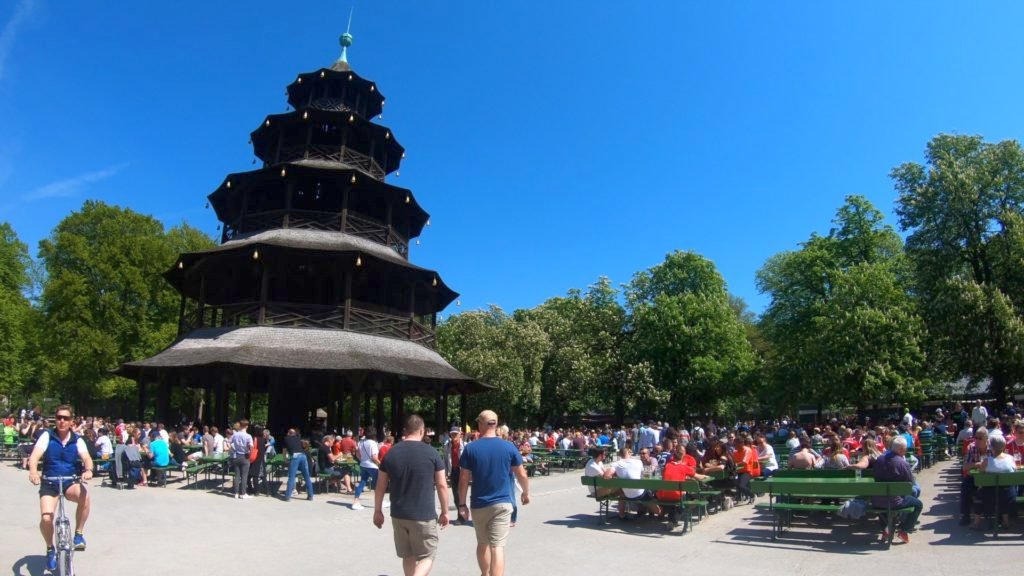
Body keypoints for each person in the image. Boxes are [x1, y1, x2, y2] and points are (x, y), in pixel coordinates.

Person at [374, 415, 450, 576]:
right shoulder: (432, 453)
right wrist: (445, 511)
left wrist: (377, 510)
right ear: (422, 431)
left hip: (399, 514)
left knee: (407, 554)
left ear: (405, 431)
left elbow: (380, 485)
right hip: (423, 514)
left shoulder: (391, 453)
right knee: (428, 555)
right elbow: (442, 485)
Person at [458, 410, 529, 576]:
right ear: (495, 424)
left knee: (483, 543)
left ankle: (484, 574)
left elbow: (463, 480)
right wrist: (526, 493)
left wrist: (462, 505)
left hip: (479, 503)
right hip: (503, 503)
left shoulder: (470, 448)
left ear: (481, 424)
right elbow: (522, 474)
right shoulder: (509, 446)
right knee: (497, 546)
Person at [27, 405, 94, 572]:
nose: (61, 421)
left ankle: (78, 534)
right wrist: (33, 472)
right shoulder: (47, 437)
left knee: (85, 497)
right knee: (47, 518)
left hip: (70, 481)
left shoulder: (77, 439)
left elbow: (86, 457)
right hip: (50, 482)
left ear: (72, 422)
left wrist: (88, 470)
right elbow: (34, 457)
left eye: (65, 418)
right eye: (58, 417)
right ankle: (50, 548)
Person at [872, 436, 922, 543]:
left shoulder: (879, 459)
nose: (905, 452)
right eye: (904, 450)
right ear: (900, 450)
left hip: (877, 500)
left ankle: (886, 528)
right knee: (918, 504)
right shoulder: (902, 462)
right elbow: (909, 484)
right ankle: (904, 530)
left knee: (885, 501)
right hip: (895, 501)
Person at [976, 435, 1018, 529]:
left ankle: (977, 522)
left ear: (991, 447)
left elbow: (980, 475)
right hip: (1008, 495)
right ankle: (1006, 521)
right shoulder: (1010, 458)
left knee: (980, 492)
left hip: (989, 495)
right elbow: (1015, 471)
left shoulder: (987, 461)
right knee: (1007, 489)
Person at [352, 427, 382, 510]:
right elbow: (374, 457)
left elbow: (357, 454)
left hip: (363, 464)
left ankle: (356, 501)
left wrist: (362, 460)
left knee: (362, 482)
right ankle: (379, 502)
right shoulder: (373, 443)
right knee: (377, 485)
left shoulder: (361, 442)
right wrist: (381, 464)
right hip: (372, 466)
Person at [282, 428, 314, 501]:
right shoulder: (298, 438)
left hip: (295, 456)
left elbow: (284, 451)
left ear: (288, 433)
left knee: (292, 477)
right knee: (306, 476)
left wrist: (285, 459)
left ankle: (287, 496)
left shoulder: (286, 439)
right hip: (303, 456)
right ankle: (310, 496)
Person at [229, 420, 253, 500]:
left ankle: (236, 493)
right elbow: (251, 446)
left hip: (236, 455)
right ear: (246, 426)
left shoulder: (235, 435)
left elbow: (228, 442)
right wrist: (250, 452)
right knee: (244, 476)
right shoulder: (248, 436)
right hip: (245, 456)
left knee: (237, 475)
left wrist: (233, 449)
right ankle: (243, 493)